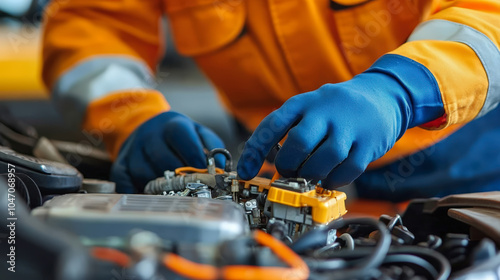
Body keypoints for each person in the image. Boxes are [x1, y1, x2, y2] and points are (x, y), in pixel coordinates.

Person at [42, 0, 500, 201]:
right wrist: (131, 117)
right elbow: (91, 24)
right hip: (277, 170)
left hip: (460, 162)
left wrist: (400, 91)